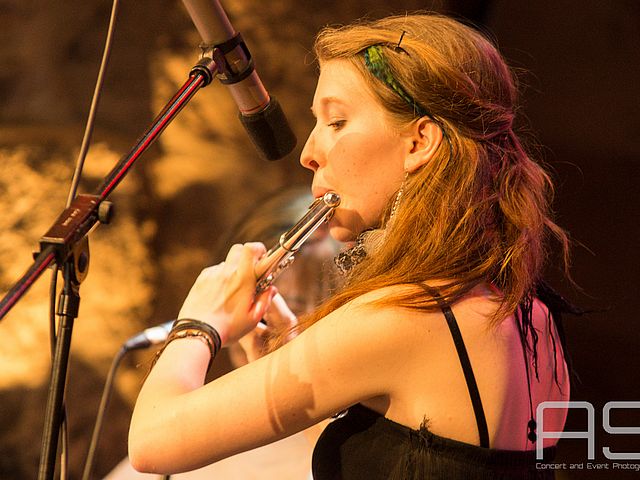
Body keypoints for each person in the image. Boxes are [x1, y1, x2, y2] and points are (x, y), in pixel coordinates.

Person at [129, 13, 572, 479]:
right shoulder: (534, 317)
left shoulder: (404, 315)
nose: (309, 153)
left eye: (337, 121)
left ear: (419, 142)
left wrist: (200, 321)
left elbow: (152, 443)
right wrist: (279, 357)